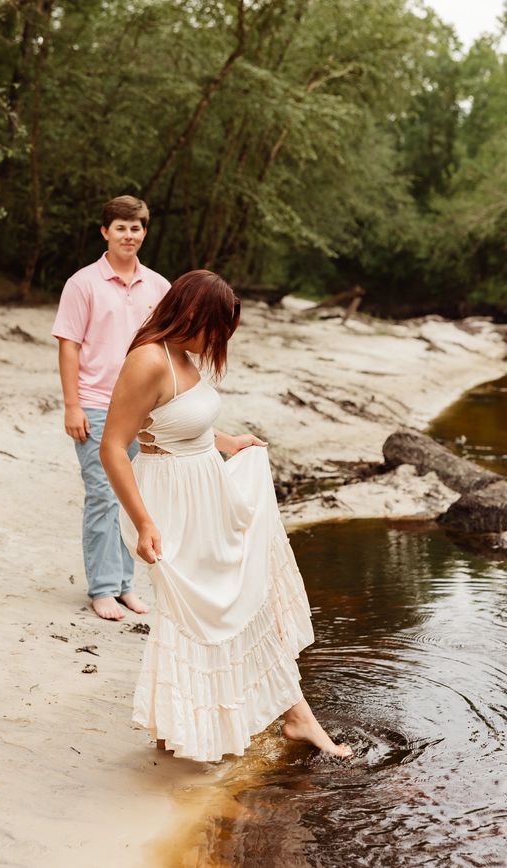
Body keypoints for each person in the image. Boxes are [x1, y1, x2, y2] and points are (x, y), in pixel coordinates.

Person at [99, 270, 353, 762]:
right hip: (170, 501)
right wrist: (145, 522)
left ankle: (282, 717)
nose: (216, 341)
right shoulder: (148, 360)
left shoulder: (181, 356)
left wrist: (230, 442)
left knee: (236, 602)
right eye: (213, 329)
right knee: (201, 610)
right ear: (189, 314)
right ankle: (284, 718)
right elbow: (113, 446)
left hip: (206, 487)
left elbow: (183, 425)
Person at [52, 196, 170, 621]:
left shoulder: (158, 286)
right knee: (103, 497)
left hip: (143, 410)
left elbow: (167, 347)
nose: (129, 235)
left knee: (131, 497)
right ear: (105, 232)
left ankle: (124, 586)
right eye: (120, 227)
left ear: (144, 232)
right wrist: (72, 406)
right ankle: (102, 589)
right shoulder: (82, 283)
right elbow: (69, 345)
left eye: (136, 228)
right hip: (97, 405)